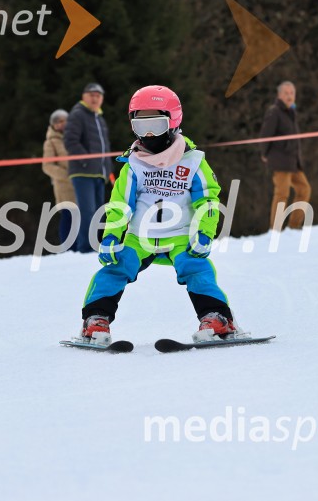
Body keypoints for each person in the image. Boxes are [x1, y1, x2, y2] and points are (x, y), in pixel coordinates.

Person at [76, 85, 238, 342]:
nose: (149, 134)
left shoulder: (193, 161)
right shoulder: (134, 165)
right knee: (116, 267)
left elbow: (207, 200)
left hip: (181, 235)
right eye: (141, 126)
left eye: (156, 125)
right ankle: (96, 320)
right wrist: (111, 236)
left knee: (195, 267)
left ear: (173, 122)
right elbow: (120, 204)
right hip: (140, 236)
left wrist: (204, 232)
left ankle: (217, 318)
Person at [63, 82, 112, 252]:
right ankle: (86, 248)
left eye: (98, 96)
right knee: (87, 211)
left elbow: (105, 147)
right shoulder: (78, 114)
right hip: (83, 172)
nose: (95, 98)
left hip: (99, 173)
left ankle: (97, 245)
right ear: (84, 96)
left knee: (100, 212)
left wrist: (108, 168)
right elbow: (70, 140)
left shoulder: (99, 118)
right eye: (91, 95)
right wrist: (86, 161)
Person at [259, 81, 311, 231]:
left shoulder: (291, 112)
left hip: (293, 161)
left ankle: (294, 226)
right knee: (282, 193)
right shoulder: (274, 111)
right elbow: (265, 135)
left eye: (292, 93)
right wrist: (264, 154)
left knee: (304, 189)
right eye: (286, 93)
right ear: (279, 95)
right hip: (280, 161)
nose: (289, 96)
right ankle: (275, 229)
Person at [41, 109, 77, 246]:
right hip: (64, 187)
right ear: (53, 125)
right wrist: (68, 175)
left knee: (81, 217)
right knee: (68, 216)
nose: (63, 124)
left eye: (65, 120)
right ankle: (67, 247)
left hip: (80, 184)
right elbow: (47, 166)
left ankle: (80, 247)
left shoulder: (74, 138)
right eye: (59, 121)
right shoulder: (51, 142)